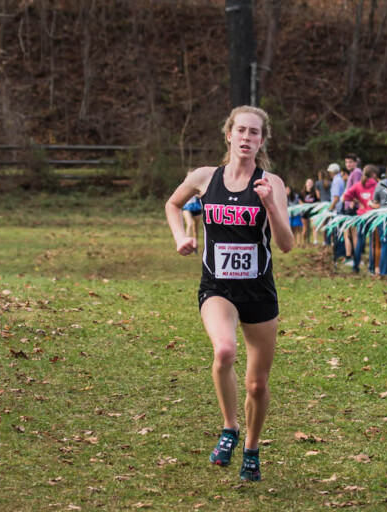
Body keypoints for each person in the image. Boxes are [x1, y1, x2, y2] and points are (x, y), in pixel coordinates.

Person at [164, 105, 292, 482]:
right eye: (241, 131)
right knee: (224, 350)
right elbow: (172, 204)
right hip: (217, 287)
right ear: (229, 135)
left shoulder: (274, 183)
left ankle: (251, 448)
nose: (247, 138)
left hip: (258, 293)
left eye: (255, 133)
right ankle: (229, 428)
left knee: (257, 383)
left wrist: (269, 203)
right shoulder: (205, 178)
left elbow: (285, 245)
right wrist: (180, 237)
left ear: (262, 140)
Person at [342, 164, 378, 273]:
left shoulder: (357, 185)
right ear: (373, 174)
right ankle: (371, 267)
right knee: (373, 241)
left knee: (360, 241)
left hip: (361, 216)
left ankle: (355, 266)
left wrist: (357, 201)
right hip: (373, 216)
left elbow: (345, 196)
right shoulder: (376, 185)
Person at [343, 154, 362, 262]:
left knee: (353, 233)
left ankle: (355, 256)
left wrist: (352, 204)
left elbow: (357, 189)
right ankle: (349, 256)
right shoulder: (352, 173)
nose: (348, 164)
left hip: (352, 207)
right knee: (347, 233)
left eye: (350, 162)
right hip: (348, 205)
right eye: (346, 162)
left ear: (355, 162)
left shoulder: (357, 172)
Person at [300, 178, 317, 246]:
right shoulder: (302, 192)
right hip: (305, 212)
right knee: (305, 227)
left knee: (314, 226)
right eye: (308, 183)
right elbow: (300, 200)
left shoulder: (315, 192)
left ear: (313, 184)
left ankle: (315, 240)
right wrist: (304, 206)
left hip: (313, 211)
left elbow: (317, 201)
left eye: (311, 183)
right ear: (306, 184)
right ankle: (304, 241)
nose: (310, 184)